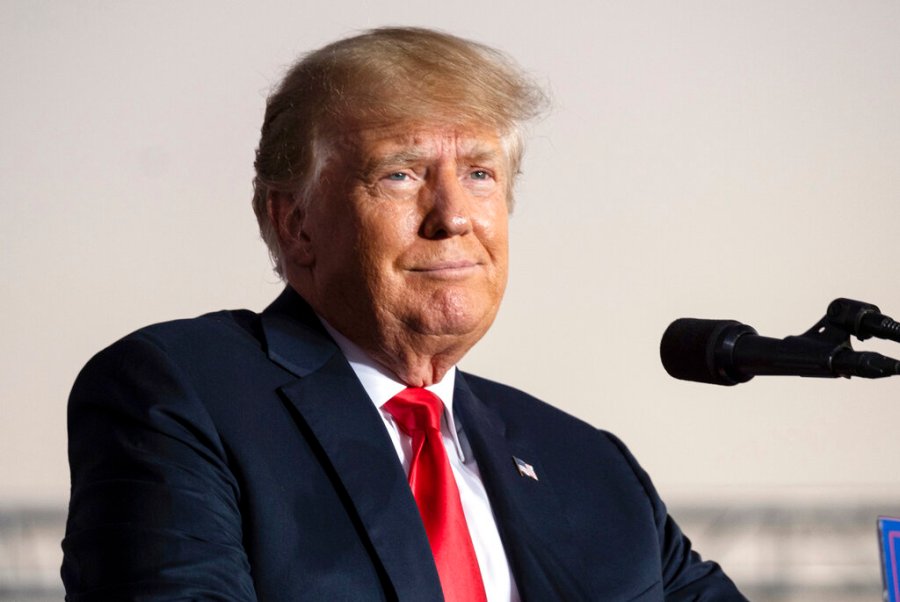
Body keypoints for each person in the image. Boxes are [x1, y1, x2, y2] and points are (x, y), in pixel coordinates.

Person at [62, 27, 747, 601]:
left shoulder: (589, 467)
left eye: (481, 174)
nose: (453, 216)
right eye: (401, 174)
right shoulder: (182, 394)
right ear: (295, 222)